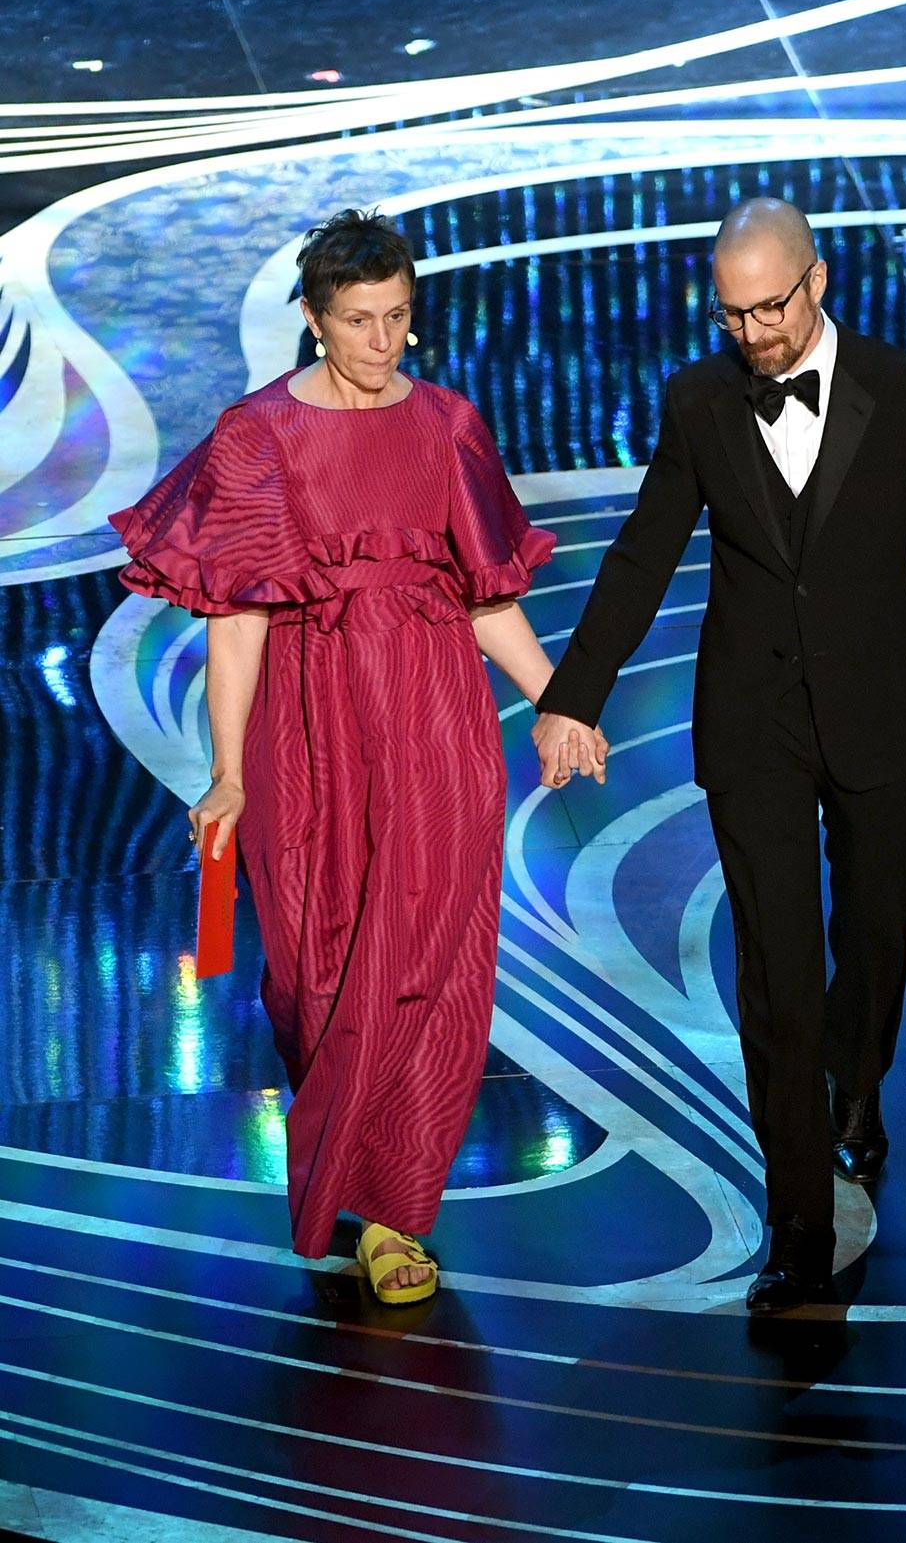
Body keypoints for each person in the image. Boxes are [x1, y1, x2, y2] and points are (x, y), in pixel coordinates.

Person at [532, 198, 906, 1313]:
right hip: (748, 719)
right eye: (729, 313)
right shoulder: (699, 401)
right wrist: (571, 699)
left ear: (817, 282)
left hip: (874, 708)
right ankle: (797, 1219)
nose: (749, 332)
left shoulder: (904, 391)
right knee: (778, 970)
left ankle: (857, 1085)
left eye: (766, 308)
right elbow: (643, 553)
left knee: (875, 927)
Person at [109, 208, 585, 1305]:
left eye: (400, 318)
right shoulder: (258, 436)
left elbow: (485, 597)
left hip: (434, 725)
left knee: (428, 965)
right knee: (313, 975)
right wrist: (226, 771)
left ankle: (391, 1212)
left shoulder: (449, 425)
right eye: (362, 322)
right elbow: (235, 620)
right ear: (317, 324)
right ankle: (345, 1166)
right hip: (308, 733)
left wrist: (562, 705)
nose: (385, 343)